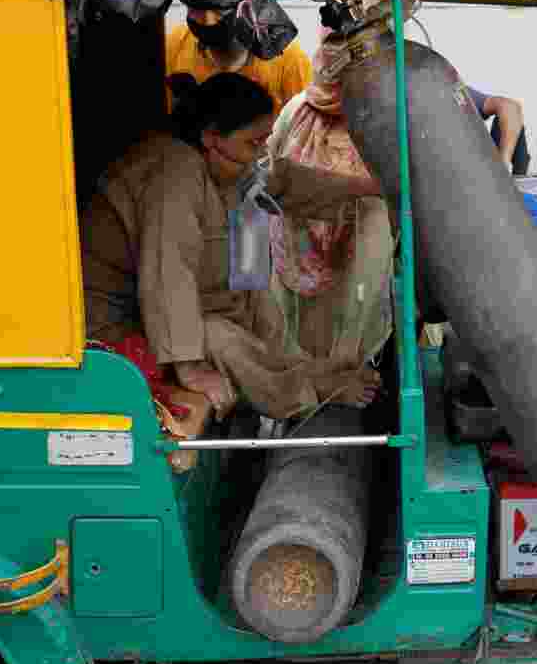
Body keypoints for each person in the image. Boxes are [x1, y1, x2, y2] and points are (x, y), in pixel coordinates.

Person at [80, 73, 382, 421]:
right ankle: (308, 392)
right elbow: (169, 270)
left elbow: (285, 180)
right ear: (210, 138)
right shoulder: (173, 171)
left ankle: (306, 370)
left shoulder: (228, 162)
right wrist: (191, 368)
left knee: (253, 295)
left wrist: (367, 187)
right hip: (110, 327)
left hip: (154, 310)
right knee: (217, 335)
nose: (261, 155)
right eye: (254, 144)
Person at [264, 29, 395, 367]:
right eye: (328, 49)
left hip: (357, 254)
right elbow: (267, 173)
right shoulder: (296, 111)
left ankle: (345, 367)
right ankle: (303, 380)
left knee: (351, 328)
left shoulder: (383, 119)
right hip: (295, 249)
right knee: (294, 342)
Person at [166, 6, 312, 118]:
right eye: (197, 7)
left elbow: (301, 141)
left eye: (220, 7)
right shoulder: (174, 45)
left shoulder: (290, 60)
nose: (209, 20)